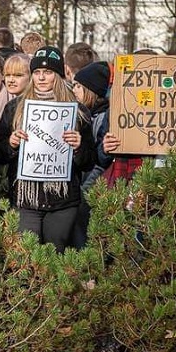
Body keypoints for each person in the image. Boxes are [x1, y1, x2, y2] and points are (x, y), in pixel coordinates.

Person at [0, 46, 95, 252]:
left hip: (62, 201)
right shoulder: (15, 108)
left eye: (48, 72)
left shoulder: (78, 112)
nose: (41, 77)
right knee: (27, 257)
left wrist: (78, 148)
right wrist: (11, 144)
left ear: (58, 76)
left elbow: (89, 161)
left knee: (54, 256)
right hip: (26, 199)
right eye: (37, 72)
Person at [69, 61, 110, 249]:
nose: (74, 90)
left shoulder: (102, 117)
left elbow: (99, 161)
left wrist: (84, 189)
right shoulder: (85, 113)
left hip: (94, 182)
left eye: (78, 86)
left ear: (91, 90)